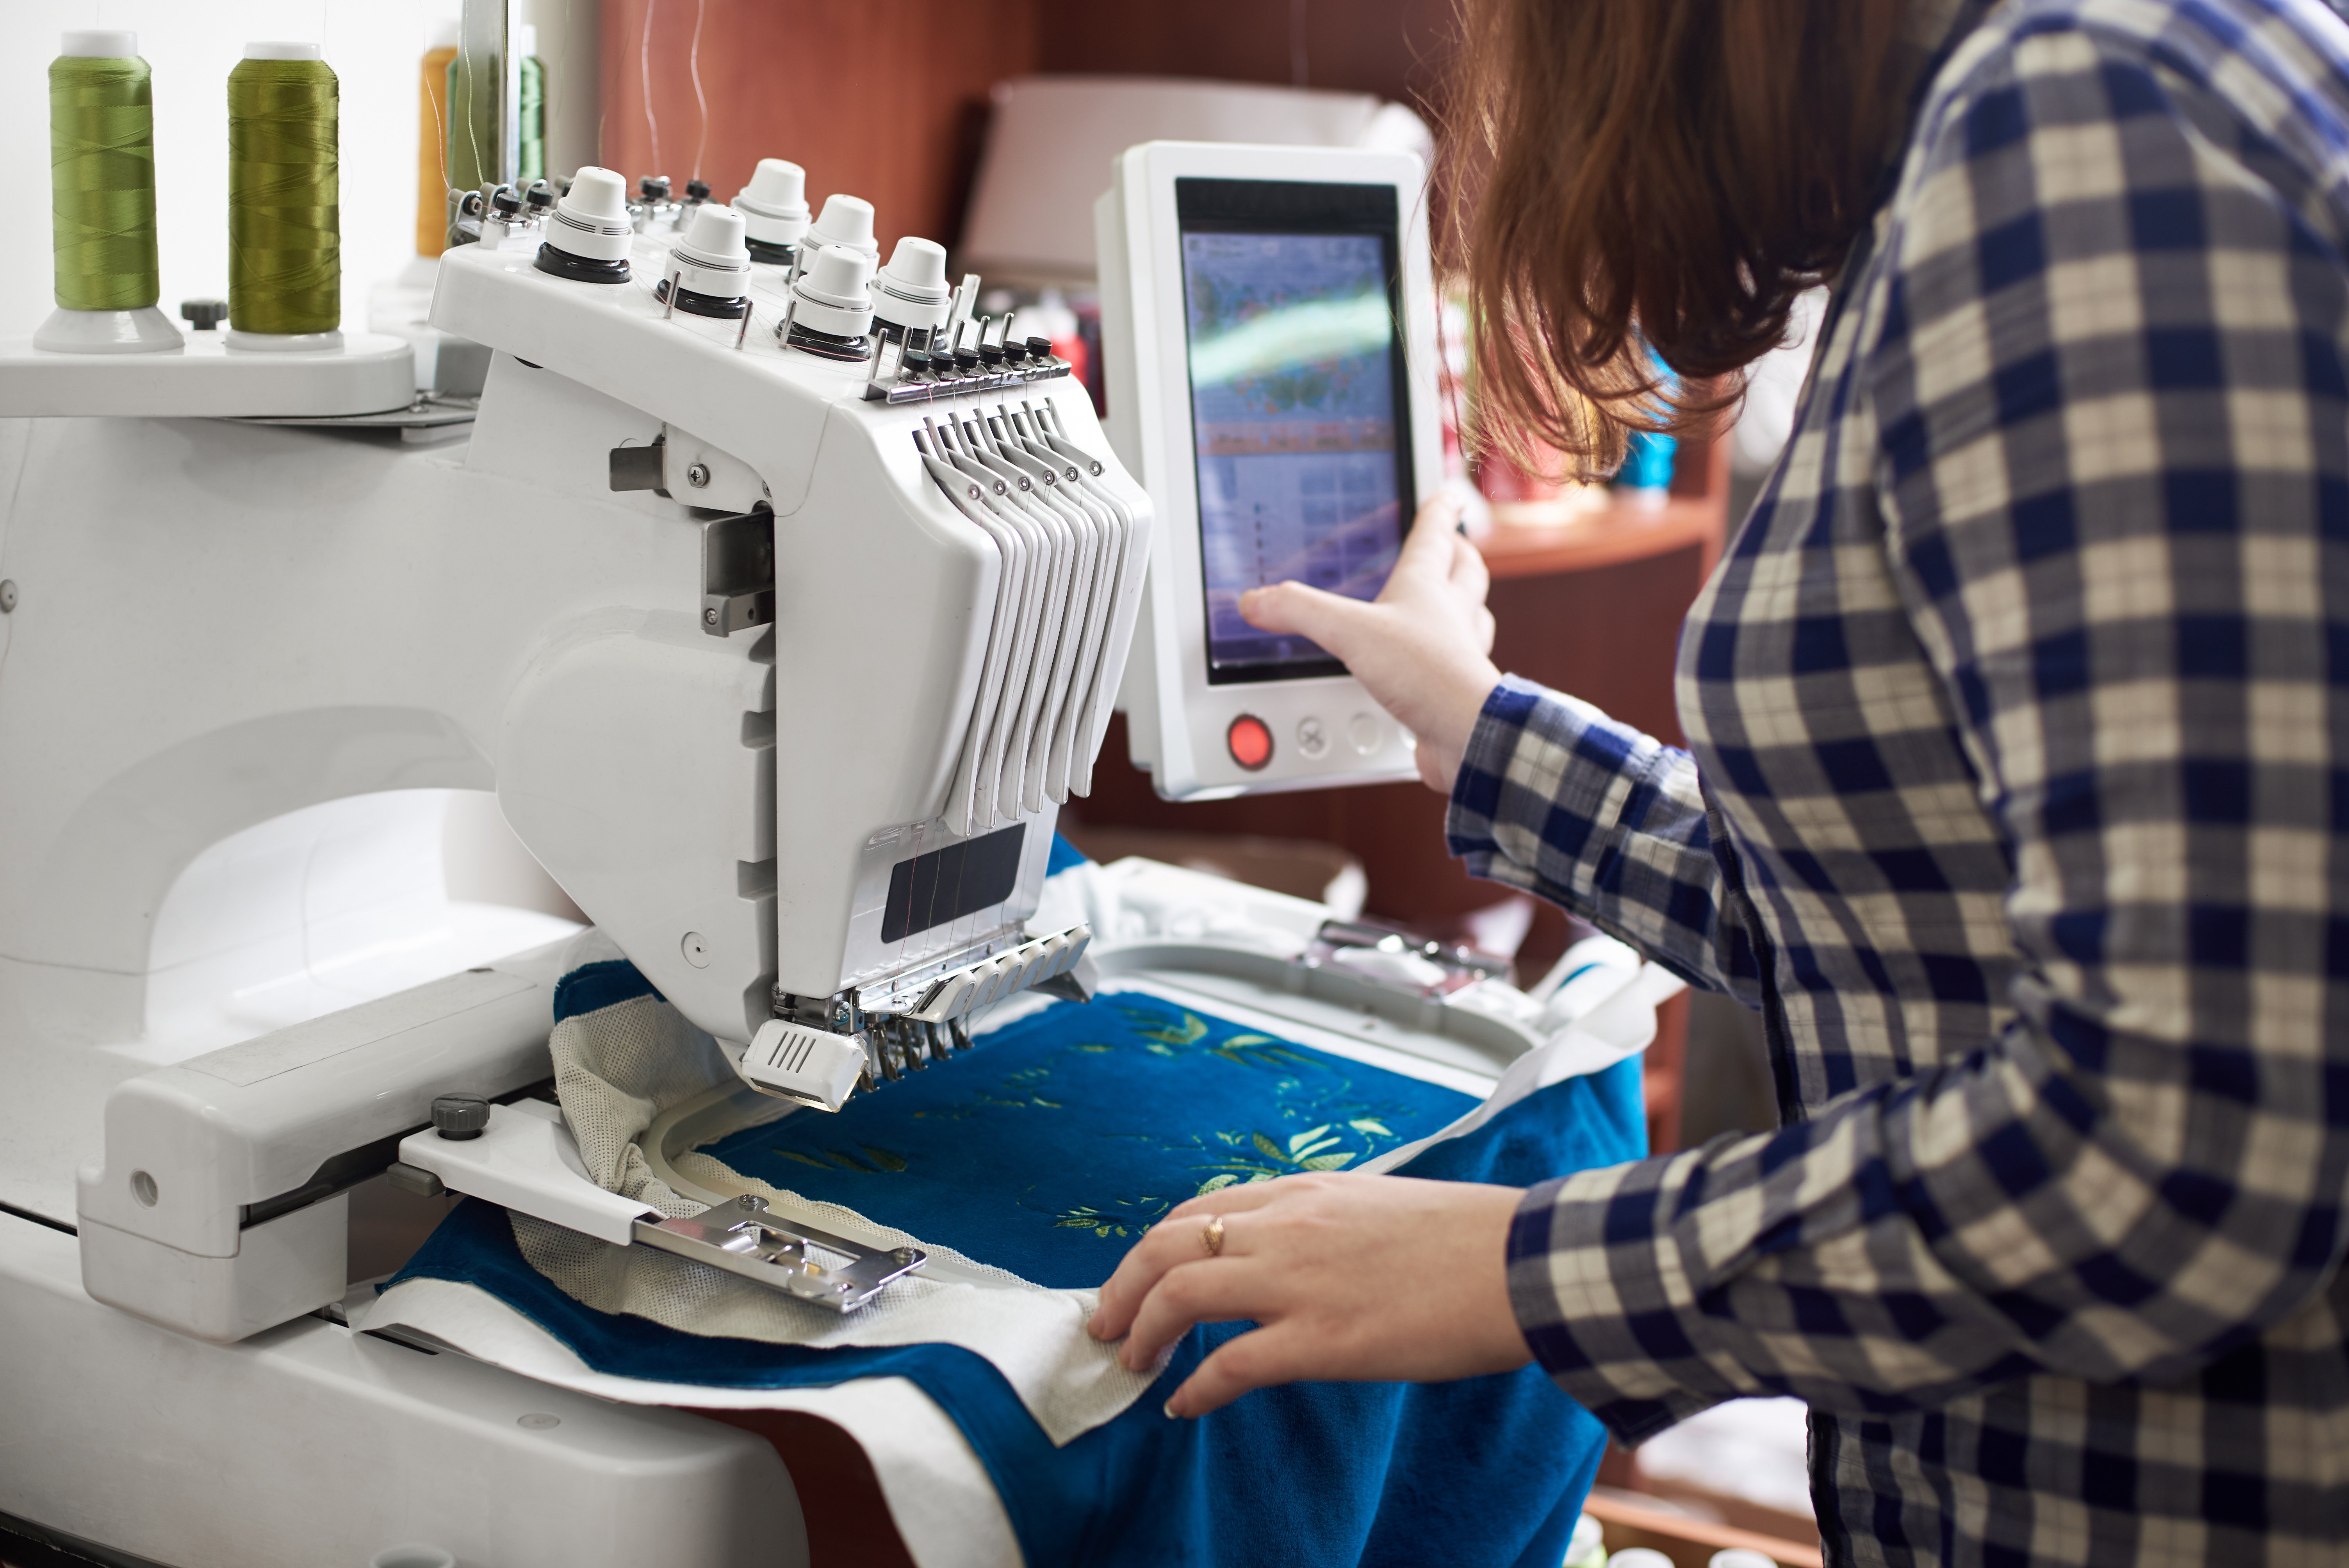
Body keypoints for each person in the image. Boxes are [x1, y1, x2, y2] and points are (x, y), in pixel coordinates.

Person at [1087, 0, 2349, 1560]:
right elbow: (1920, 921)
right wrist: (1478, 726)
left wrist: (1521, 1273)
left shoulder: (2078, 126)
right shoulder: (2068, 113)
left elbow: (2199, 1128)